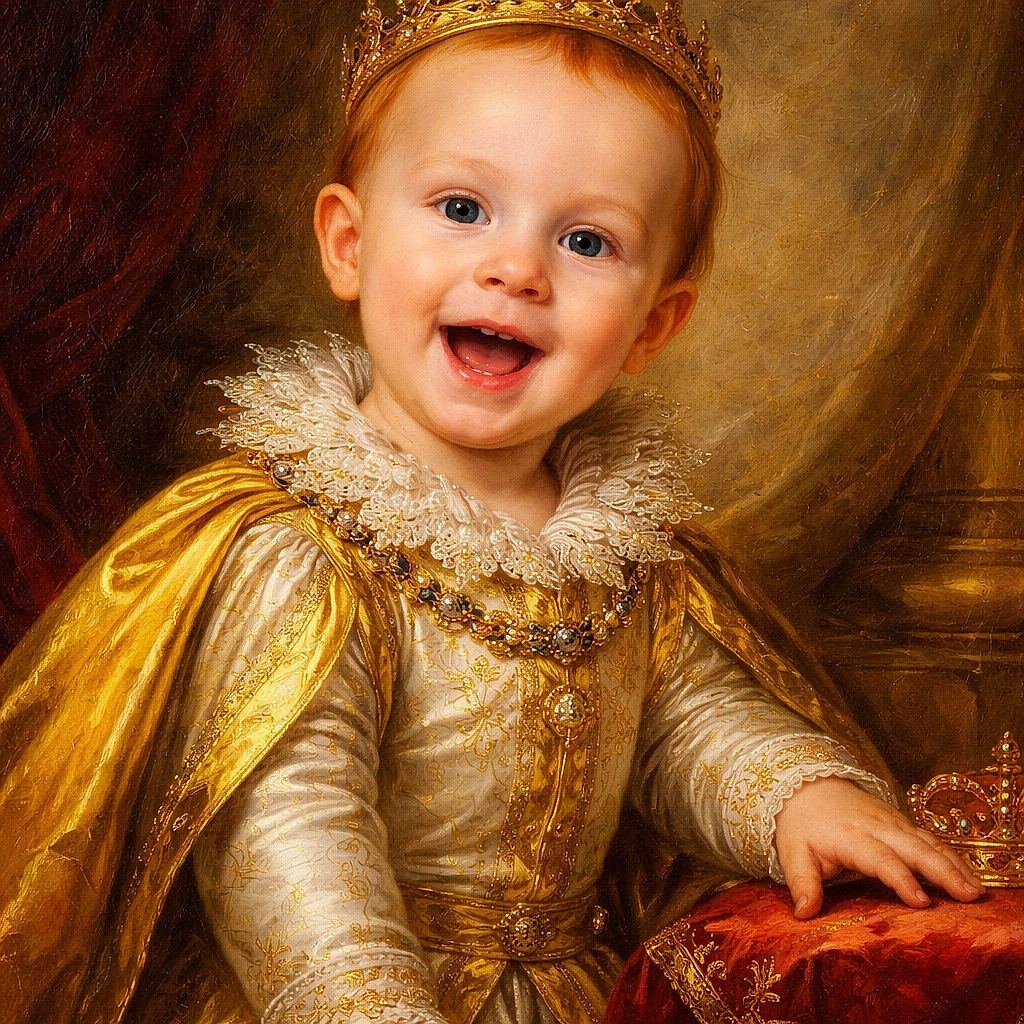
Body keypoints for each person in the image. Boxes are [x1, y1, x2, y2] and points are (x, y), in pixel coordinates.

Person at [0, 2, 983, 1023]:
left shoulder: (627, 554)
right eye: (463, 208)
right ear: (345, 242)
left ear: (655, 323)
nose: (517, 269)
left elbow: (686, 725)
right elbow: (290, 832)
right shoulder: (299, 549)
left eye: (587, 239)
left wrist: (792, 796)